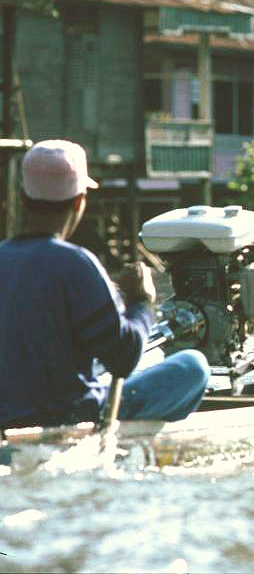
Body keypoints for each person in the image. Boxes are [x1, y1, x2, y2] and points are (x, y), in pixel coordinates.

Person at [0, 140, 209, 430]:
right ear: (79, 201)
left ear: (23, 198)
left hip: (8, 415)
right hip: (69, 417)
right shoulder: (76, 263)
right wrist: (142, 301)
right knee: (194, 366)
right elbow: (124, 359)